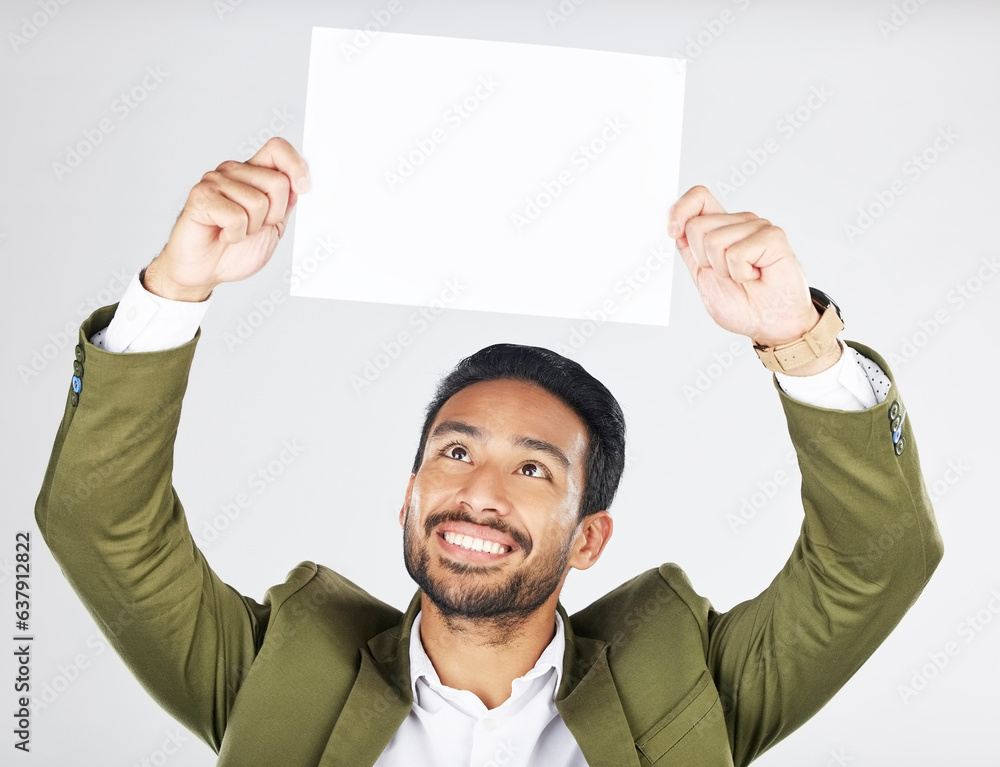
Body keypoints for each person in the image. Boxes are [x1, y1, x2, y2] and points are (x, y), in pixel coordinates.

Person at [35, 137, 943, 767]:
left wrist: (795, 336)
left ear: (590, 537)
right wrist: (178, 287)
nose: (479, 492)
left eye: (534, 467)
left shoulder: (688, 681)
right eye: (456, 452)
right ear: (407, 496)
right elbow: (100, 519)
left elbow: (877, 558)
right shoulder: (278, 670)